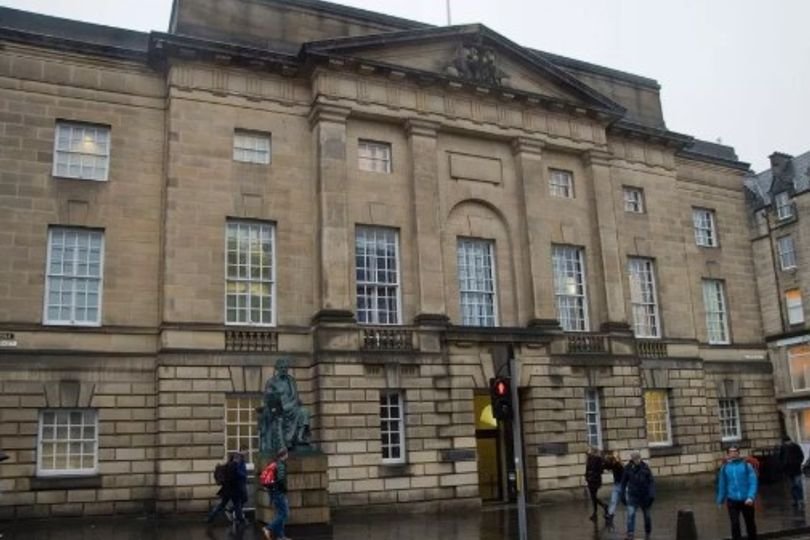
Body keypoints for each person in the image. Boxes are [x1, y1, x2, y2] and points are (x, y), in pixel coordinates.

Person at [716, 446, 758, 540]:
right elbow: (722, 484)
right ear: (727, 454)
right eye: (731, 452)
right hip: (732, 500)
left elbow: (753, 482)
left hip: (746, 499)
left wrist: (751, 496)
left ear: (739, 453)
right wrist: (720, 500)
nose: (733, 454)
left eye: (735, 452)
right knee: (734, 524)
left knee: (750, 523)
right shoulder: (725, 467)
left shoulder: (746, 465)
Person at [620, 451, 655, 540]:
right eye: (634, 459)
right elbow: (623, 482)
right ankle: (630, 533)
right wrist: (622, 494)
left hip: (645, 495)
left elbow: (651, 481)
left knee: (647, 515)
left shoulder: (645, 467)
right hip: (633, 495)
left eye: (637, 458)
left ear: (640, 458)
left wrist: (652, 494)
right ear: (632, 459)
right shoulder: (628, 468)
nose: (636, 460)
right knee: (631, 514)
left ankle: (648, 532)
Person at [207, 452, 243, 524]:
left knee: (222, 505)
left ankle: (210, 517)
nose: (240, 460)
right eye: (239, 458)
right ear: (236, 459)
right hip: (233, 490)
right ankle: (240, 520)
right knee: (237, 504)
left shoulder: (227, 465)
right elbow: (234, 478)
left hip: (227, 489)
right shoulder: (234, 465)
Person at [263, 447, 290, 540]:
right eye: (287, 454)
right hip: (279, 492)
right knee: (285, 513)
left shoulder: (274, 463)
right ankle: (268, 528)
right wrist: (284, 489)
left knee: (280, 513)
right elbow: (281, 479)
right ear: (285, 454)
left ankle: (280, 536)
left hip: (274, 491)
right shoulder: (281, 465)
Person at [779, 436, 805, 507]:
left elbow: (801, 456)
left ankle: (800, 500)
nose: (786, 443)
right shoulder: (783, 448)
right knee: (792, 486)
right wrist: (783, 465)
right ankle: (795, 500)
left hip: (796, 469)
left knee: (797, 485)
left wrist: (797, 463)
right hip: (788, 469)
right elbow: (781, 457)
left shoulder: (796, 447)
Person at [584, 447, 608, 522]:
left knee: (593, 496)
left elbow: (601, 470)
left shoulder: (598, 459)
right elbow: (587, 469)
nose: (588, 453)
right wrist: (586, 477)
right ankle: (597, 511)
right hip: (590, 480)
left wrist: (593, 474)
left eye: (589, 451)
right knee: (593, 497)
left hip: (595, 480)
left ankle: (603, 507)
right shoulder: (589, 459)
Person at [604, 450, 625, 526]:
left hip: (623, 486)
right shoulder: (613, 464)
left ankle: (631, 512)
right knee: (613, 501)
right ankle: (610, 514)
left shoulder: (620, 465)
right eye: (614, 455)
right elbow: (606, 466)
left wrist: (616, 459)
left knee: (627, 501)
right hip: (616, 485)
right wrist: (607, 458)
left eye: (616, 455)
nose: (614, 457)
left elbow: (619, 465)